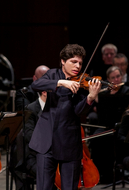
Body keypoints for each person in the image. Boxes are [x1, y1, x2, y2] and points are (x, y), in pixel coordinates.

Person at [29, 44, 101, 190]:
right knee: (43, 187)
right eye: (73, 62)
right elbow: (36, 85)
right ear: (63, 61)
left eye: (80, 63)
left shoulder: (82, 83)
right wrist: (60, 83)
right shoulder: (53, 74)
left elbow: (78, 111)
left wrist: (90, 97)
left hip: (69, 142)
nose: (78, 66)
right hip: (46, 141)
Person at [88, 66, 129, 183]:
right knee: (95, 139)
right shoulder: (103, 93)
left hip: (123, 126)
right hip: (107, 126)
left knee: (116, 138)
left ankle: (119, 172)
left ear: (122, 76)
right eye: (113, 78)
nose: (116, 80)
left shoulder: (128, 91)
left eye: (118, 76)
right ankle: (103, 173)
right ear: (108, 79)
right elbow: (101, 116)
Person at [13, 90, 47, 190]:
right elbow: (30, 136)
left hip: (52, 154)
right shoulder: (30, 109)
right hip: (33, 156)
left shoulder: (55, 108)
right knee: (47, 172)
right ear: (44, 92)